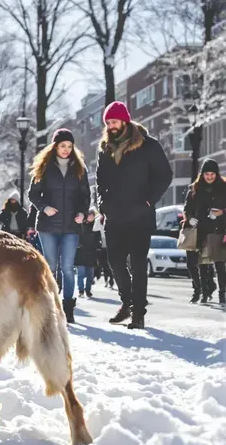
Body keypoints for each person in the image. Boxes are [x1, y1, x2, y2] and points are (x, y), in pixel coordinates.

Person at [96, 101, 174, 329]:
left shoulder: (148, 145)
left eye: (114, 121)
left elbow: (165, 175)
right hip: (114, 215)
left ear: (124, 121)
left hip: (140, 215)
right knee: (114, 261)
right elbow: (100, 181)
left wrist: (149, 200)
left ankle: (138, 312)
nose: (111, 126)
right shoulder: (105, 148)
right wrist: (102, 204)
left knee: (139, 265)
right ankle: (127, 303)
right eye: (108, 123)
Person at [28, 128, 92, 324]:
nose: (66, 149)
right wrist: (44, 207)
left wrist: (82, 213)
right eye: (63, 145)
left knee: (67, 268)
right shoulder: (44, 167)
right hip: (48, 226)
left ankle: (68, 307)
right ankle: (51, 306)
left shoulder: (79, 169)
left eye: (69, 146)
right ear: (55, 146)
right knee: (51, 267)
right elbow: (33, 194)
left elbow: (85, 196)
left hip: (71, 227)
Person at [182, 159, 226, 304]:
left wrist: (221, 212)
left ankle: (222, 294)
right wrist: (190, 219)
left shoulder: (223, 187)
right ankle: (204, 292)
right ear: (202, 174)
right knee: (202, 263)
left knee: (220, 263)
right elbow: (187, 208)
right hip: (199, 230)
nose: (210, 177)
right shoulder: (194, 188)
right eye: (207, 174)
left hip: (218, 229)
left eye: (212, 174)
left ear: (216, 174)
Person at [75, 209, 100, 299]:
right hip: (81, 252)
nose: (91, 217)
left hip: (91, 253)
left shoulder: (96, 226)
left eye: (93, 216)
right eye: (89, 215)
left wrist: (97, 248)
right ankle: (81, 290)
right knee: (80, 273)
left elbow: (98, 239)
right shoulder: (81, 224)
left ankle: (88, 290)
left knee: (90, 274)